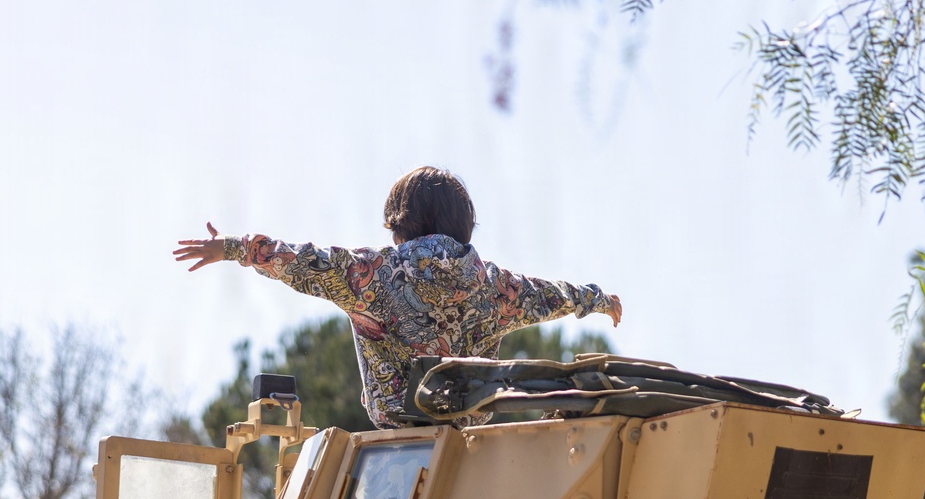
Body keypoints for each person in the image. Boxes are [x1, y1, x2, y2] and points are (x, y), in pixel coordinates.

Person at [174, 166, 622, 427]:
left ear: (400, 223)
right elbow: (555, 296)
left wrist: (233, 247)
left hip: (394, 467)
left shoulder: (371, 276)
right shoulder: (496, 289)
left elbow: (300, 261)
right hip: (473, 464)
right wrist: (599, 300)